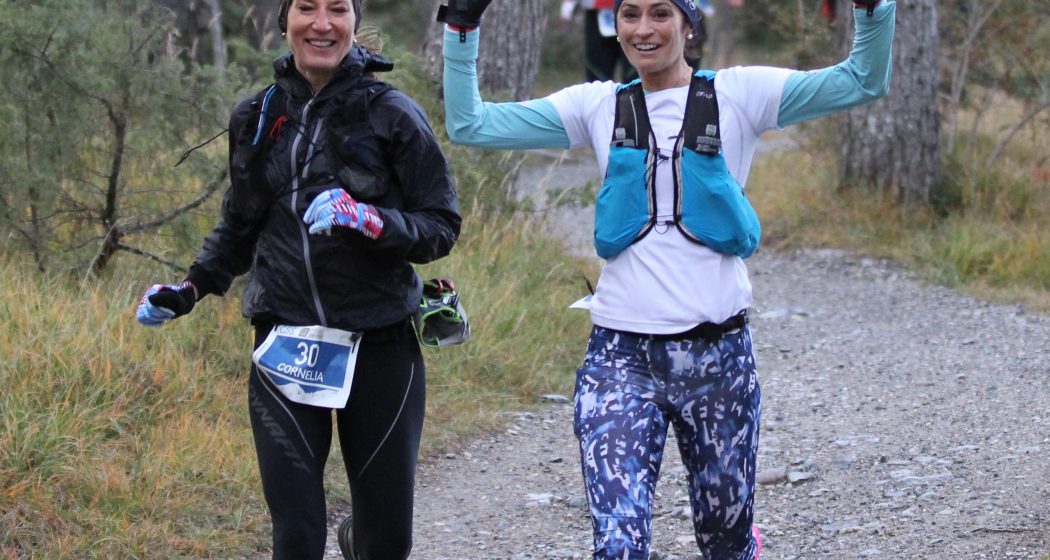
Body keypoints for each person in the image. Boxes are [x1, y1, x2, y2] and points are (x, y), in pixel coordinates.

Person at [439, 0, 893, 558]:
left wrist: (872, 11)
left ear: (688, 23)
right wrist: (461, 29)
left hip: (719, 358)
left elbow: (863, 81)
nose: (643, 29)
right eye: (630, 14)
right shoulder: (596, 105)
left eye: (660, 13)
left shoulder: (740, 95)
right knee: (619, 544)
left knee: (724, 541)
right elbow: (470, 124)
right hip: (619, 359)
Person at [136, 0, 461, 559]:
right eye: (306, 7)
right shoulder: (257, 116)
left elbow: (441, 226)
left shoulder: (393, 114)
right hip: (285, 342)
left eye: (338, 9)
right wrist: (189, 289)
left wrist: (370, 218)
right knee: (295, 534)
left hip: (379, 342)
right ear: (283, 21)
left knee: (386, 542)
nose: (322, 23)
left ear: (355, 22)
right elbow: (240, 224)